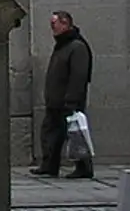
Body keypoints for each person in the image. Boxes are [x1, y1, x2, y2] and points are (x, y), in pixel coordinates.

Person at [34, 10, 94, 179]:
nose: (52, 28)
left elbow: (78, 76)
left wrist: (72, 100)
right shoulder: (62, 46)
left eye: (54, 24)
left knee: (76, 134)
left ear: (65, 23)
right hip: (55, 101)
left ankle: (84, 167)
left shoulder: (77, 47)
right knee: (50, 134)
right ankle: (49, 165)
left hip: (67, 102)